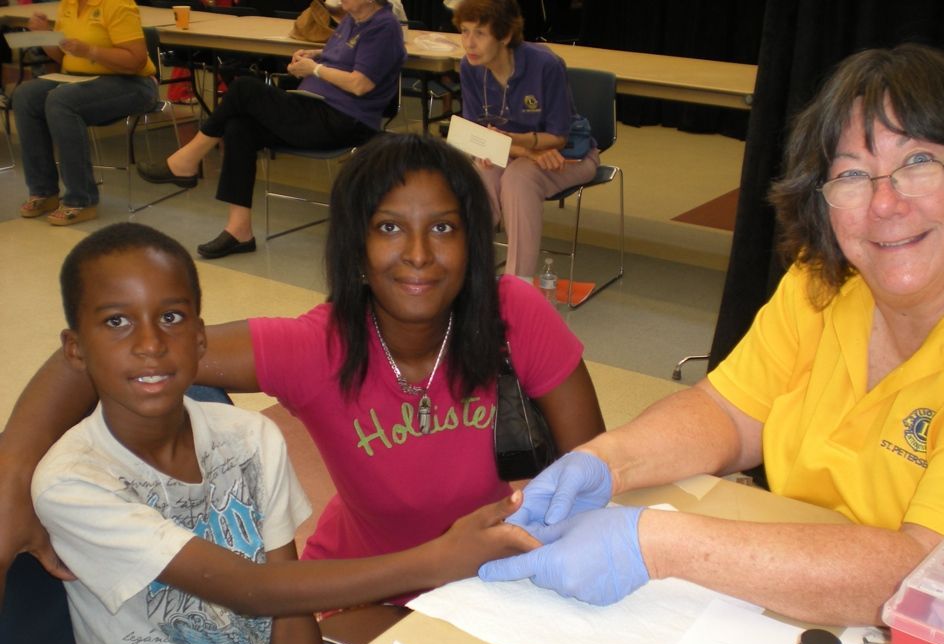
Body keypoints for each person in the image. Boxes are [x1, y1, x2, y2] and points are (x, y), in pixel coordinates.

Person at [480, 43, 944, 627]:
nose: (885, 202)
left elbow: (936, 579)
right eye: (853, 174)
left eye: (918, 161)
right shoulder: (825, 283)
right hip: (804, 600)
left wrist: (655, 545)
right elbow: (728, 414)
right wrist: (604, 461)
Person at [0, 132, 604, 604]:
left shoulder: (514, 314)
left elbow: (596, 473)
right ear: (354, 247)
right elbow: (118, 347)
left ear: (473, 239)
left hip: (501, 585)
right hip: (367, 595)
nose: (419, 254)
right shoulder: (318, 347)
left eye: (443, 228)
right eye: (389, 227)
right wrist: (11, 477)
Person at [33, 222, 535, 644]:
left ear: (201, 339)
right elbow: (255, 590)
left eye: (172, 318)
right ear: (75, 350)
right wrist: (436, 560)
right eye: (117, 322)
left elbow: (289, 610)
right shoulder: (75, 481)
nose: (151, 343)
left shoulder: (249, 439)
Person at [137, 0, 404, 260]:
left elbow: (360, 84)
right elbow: (342, 56)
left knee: (244, 89)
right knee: (240, 127)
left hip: (344, 121)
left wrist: (316, 69)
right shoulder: (353, 20)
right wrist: (314, 56)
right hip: (313, 110)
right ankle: (239, 230)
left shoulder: (383, 27)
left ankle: (186, 161)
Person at [453, 0, 598, 279]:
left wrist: (514, 144)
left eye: (479, 33)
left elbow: (557, 138)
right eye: (464, 31)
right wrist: (522, 151)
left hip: (567, 155)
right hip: (514, 153)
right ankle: (467, 276)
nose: (469, 43)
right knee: (482, 176)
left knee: (518, 179)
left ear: (505, 35)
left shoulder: (545, 64)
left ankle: (519, 284)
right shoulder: (470, 67)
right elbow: (474, 134)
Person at [12, 0, 158, 226]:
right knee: (25, 95)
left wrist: (91, 50)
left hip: (131, 83)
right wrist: (44, 36)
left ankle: (82, 200)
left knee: (61, 101)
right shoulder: (68, 5)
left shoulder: (117, 5)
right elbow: (64, 57)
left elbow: (136, 61)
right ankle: (43, 191)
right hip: (78, 78)